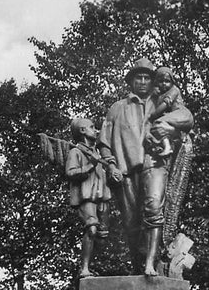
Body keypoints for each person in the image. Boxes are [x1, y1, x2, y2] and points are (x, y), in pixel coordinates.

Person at [98, 57, 193, 276]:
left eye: (146, 77)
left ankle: (151, 263)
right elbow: (104, 143)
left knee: (153, 210)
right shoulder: (117, 108)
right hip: (126, 170)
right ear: (130, 82)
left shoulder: (162, 102)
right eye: (137, 77)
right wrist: (111, 165)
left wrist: (169, 129)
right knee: (131, 223)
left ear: (153, 81)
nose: (142, 82)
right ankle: (138, 266)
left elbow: (187, 118)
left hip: (154, 163)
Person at [65, 118, 113, 278]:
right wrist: (90, 165)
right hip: (87, 198)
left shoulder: (97, 153)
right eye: (92, 127)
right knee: (91, 229)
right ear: (82, 131)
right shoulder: (76, 152)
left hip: (102, 197)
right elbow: (71, 173)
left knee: (102, 236)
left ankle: (93, 266)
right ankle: (84, 269)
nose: (96, 130)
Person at [148, 66, 184, 158]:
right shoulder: (161, 93)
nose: (164, 84)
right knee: (159, 127)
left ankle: (167, 147)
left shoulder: (174, 90)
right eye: (161, 81)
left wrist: (153, 115)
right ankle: (164, 145)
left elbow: (165, 105)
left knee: (157, 124)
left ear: (172, 82)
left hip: (178, 115)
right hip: (171, 116)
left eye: (167, 81)